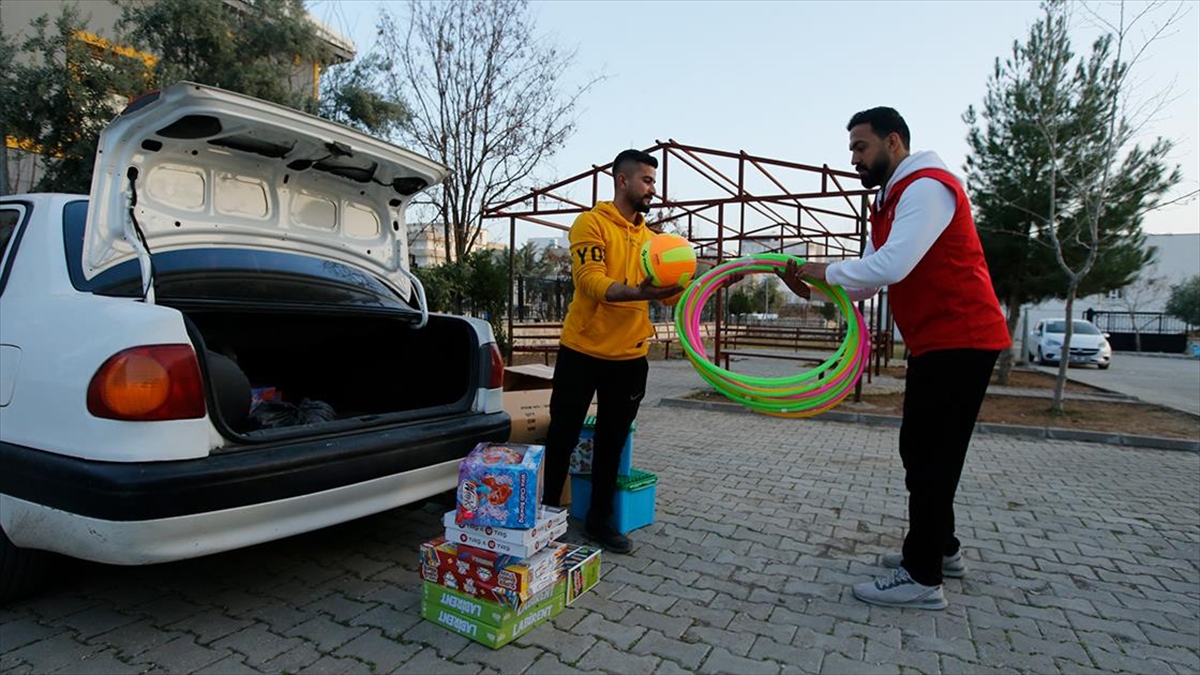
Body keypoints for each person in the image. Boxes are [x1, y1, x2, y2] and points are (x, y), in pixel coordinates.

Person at [778, 107, 1011, 609]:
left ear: (895, 143)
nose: (854, 159)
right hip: (938, 342)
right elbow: (866, 282)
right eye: (851, 151)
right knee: (922, 452)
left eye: (861, 148)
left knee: (931, 458)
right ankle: (941, 549)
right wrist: (812, 287)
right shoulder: (889, 199)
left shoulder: (927, 187)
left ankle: (923, 577)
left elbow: (893, 265)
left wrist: (820, 266)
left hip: (963, 339)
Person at [541, 149, 682, 554]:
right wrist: (639, 292)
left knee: (611, 441)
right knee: (563, 434)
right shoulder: (590, 224)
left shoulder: (654, 241)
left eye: (653, 181)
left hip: (630, 357)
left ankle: (599, 521)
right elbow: (590, 281)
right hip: (582, 350)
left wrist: (711, 279)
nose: (653, 189)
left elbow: (671, 297)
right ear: (623, 181)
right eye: (647, 181)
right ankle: (550, 515)